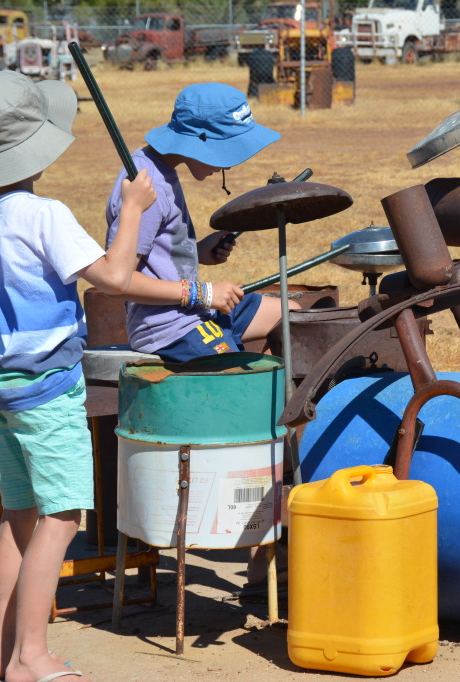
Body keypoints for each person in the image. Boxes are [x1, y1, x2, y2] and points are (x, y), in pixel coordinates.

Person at [0, 70, 156, 682]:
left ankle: (1, 651)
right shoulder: (45, 214)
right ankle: (31, 658)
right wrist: (133, 211)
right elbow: (115, 279)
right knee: (63, 516)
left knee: (18, 518)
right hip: (46, 388)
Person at [104, 82, 293, 586]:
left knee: (294, 316)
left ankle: (292, 425)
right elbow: (121, 277)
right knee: (249, 385)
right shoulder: (144, 186)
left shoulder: (165, 172)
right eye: (226, 154)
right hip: (172, 329)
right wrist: (200, 293)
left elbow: (163, 259)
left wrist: (201, 253)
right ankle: (260, 549)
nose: (227, 168)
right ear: (198, 140)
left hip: (198, 310)